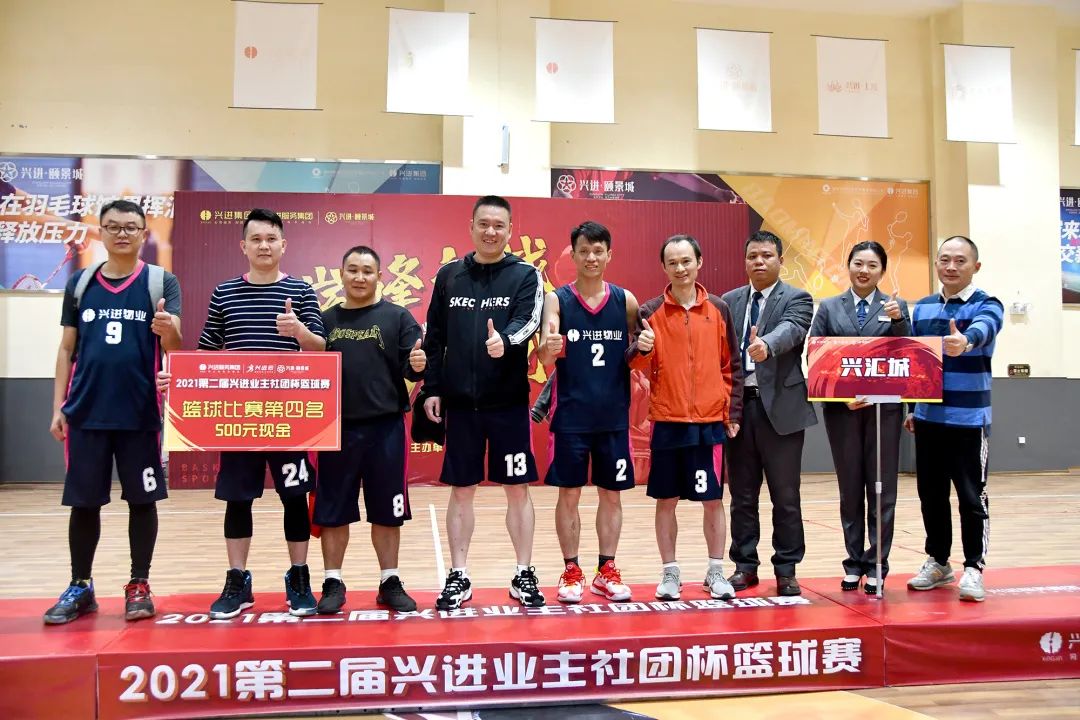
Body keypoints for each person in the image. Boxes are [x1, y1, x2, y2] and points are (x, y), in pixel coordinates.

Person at [161, 208, 326, 618]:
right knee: (238, 500)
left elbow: (322, 350)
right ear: (244, 246)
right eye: (256, 239)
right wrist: (177, 380)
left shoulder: (302, 292)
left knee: (294, 497)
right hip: (239, 417)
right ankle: (238, 580)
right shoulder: (225, 293)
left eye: (271, 238)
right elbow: (205, 354)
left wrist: (299, 332)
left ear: (283, 244)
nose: (264, 245)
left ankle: (299, 577)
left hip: (289, 417)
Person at [44, 199, 182, 624]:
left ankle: (139, 584)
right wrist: (58, 407)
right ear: (100, 232)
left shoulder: (160, 281)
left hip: (140, 414)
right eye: (113, 226)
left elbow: (175, 345)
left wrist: (168, 329)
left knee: (143, 501)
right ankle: (80, 585)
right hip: (86, 412)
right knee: (84, 504)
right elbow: (67, 348)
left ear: (144, 234)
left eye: (131, 227)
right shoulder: (81, 282)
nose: (122, 233)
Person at [423, 195, 545, 609]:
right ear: (471, 227)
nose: (491, 232)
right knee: (462, 490)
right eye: (484, 224)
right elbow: (434, 336)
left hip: (507, 403)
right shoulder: (449, 276)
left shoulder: (525, 274)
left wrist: (505, 341)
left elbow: (529, 319)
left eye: (499, 225)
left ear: (510, 230)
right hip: (461, 405)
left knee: (517, 489)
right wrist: (432, 388)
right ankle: (458, 575)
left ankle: (523, 572)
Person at [626, 234, 743, 601]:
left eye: (686, 261)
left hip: (709, 424)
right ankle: (670, 573)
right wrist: (641, 348)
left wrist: (732, 412)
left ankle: (715, 571)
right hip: (668, 422)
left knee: (713, 500)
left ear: (699, 262)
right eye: (673, 262)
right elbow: (635, 363)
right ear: (664, 267)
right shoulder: (649, 311)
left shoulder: (719, 309)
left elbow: (732, 365)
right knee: (667, 500)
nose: (680, 268)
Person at [313, 246, 426, 613]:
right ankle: (332, 582)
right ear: (341, 274)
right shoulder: (324, 320)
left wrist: (418, 364)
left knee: (387, 510)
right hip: (336, 431)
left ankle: (389, 580)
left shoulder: (398, 317)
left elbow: (413, 368)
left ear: (379, 276)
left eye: (367, 271)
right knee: (333, 510)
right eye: (353, 270)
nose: (359, 277)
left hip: (386, 429)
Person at [536, 221, 640, 603]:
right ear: (574, 255)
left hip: (613, 418)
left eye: (598, 251)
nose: (591, 257)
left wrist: (645, 344)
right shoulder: (557, 300)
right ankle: (571, 571)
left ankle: (606, 570)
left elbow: (638, 353)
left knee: (612, 496)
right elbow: (545, 357)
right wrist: (548, 346)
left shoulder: (625, 301)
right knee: (569, 496)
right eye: (584, 251)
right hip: (571, 418)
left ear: (609, 254)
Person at [905, 235, 1003, 603]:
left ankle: (974, 567)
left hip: (969, 421)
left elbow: (985, 328)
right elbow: (915, 363)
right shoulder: (923, 308)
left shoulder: (987, 304)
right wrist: (912, 408)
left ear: (975, 266)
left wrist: (967, 341)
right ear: (936, 264)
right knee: (931, 495)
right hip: (929, 418)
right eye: (945, 259)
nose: (951, 266)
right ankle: (938, 561)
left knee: (971, 497)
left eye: (960, 260)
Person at [809, 241, 910, 594]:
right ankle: (853, 562)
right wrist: (841, 397)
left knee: (882, 489)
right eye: (858, 263)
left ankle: (878, 562)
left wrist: (899, 321)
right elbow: (816, 355)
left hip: (884, 411)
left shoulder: (896, 307)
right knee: (850, 488)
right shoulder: (829, 307)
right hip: (843, 412)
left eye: (872, 265)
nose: (864, 270)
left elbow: (909, 355)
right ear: (848, 266)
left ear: (882, 271)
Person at [721, 230, 816, 597]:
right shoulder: (729, 301)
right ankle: (744, 565)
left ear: (780, 260)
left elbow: (792, 330)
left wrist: (766, 344)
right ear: (745, 261)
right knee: (742, 495)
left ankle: (787, 568)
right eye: (752, 256)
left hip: (782, 410)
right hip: (740, 409)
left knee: (785, 495)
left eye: (766, 256)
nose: (759, 262)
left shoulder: (798, 298)